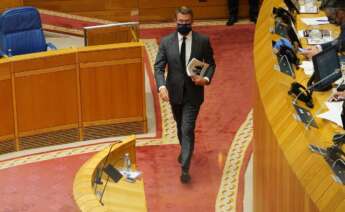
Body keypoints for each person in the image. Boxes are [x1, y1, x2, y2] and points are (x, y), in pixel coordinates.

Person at [154, 6, 216, 183]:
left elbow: (211, 64)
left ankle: (185, 168)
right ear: (176, 21)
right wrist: (162, 87)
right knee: (180, 125)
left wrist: (205, 79)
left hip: (194, 94)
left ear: (192, 22)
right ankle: (185, 150)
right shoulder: (166, 42)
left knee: (187, 128)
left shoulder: (202, 41)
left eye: (186, 22)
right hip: (174, 93)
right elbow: (158, 67)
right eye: (180, 22)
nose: (183, 24)